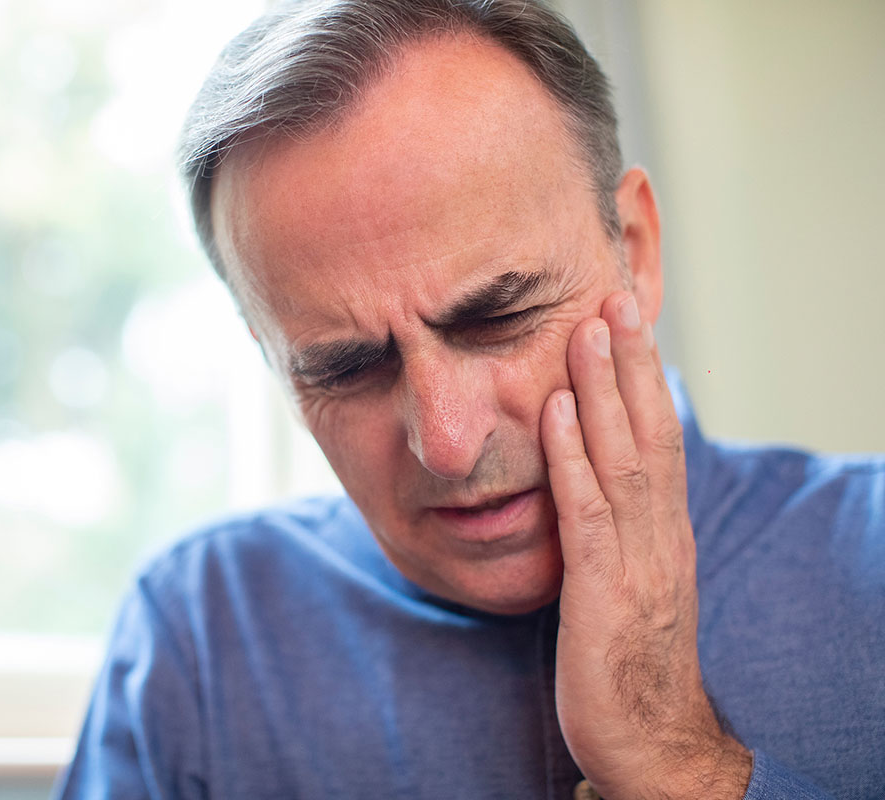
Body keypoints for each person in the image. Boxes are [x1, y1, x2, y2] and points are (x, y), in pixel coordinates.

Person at [55, 1, 885, 797]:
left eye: (500, 317)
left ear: (633, 251)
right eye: (344, 367)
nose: (447, 443)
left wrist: (677, 767)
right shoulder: (198, 637)